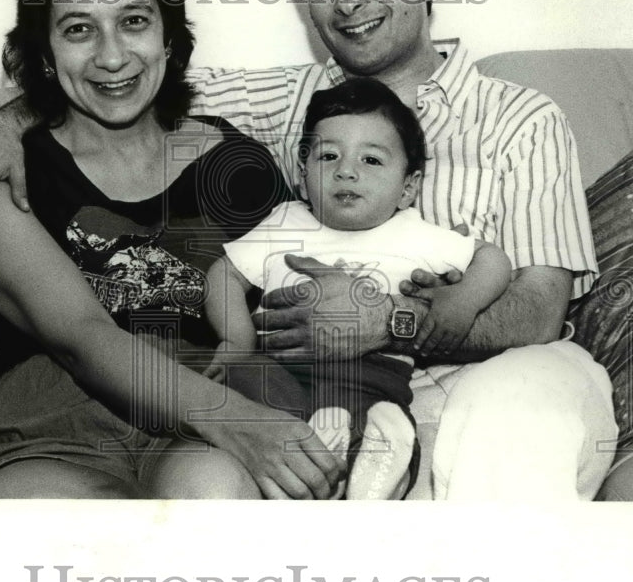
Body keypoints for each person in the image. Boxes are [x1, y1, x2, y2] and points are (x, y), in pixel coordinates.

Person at [0, 0, 619, 500]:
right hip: (322, 401)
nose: (349, 1)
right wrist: (2, 124)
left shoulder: (522, 117)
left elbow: (540, 309)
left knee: (510, 427)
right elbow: (120, 83)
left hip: (493, 377)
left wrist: (391, 323)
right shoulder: (286, 105)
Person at [0, 0, 346, 500]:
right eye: (78, 28)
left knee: (211, 498)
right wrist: (237, 421)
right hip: (54, 430)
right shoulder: (4, 176)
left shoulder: (237, 165)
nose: (111, 57)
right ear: (44, 51)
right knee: (35, 526)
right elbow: (84, 340)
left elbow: (296, 307)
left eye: (134, 20)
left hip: (205, 434)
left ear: (170, 35)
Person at [205, 77, 512, 500]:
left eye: (371, 160)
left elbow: (492, 258)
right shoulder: (286, 220)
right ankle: (315, 456)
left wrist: (462, 300)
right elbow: (224, 273)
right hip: (280, 360)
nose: (346, 170)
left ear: (408, 187)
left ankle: (376, 465)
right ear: (301, 172)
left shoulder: (414, 232)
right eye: (328, 155)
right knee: (241, 382)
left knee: (377, 415)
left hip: (371, 370)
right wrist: (236, 338)